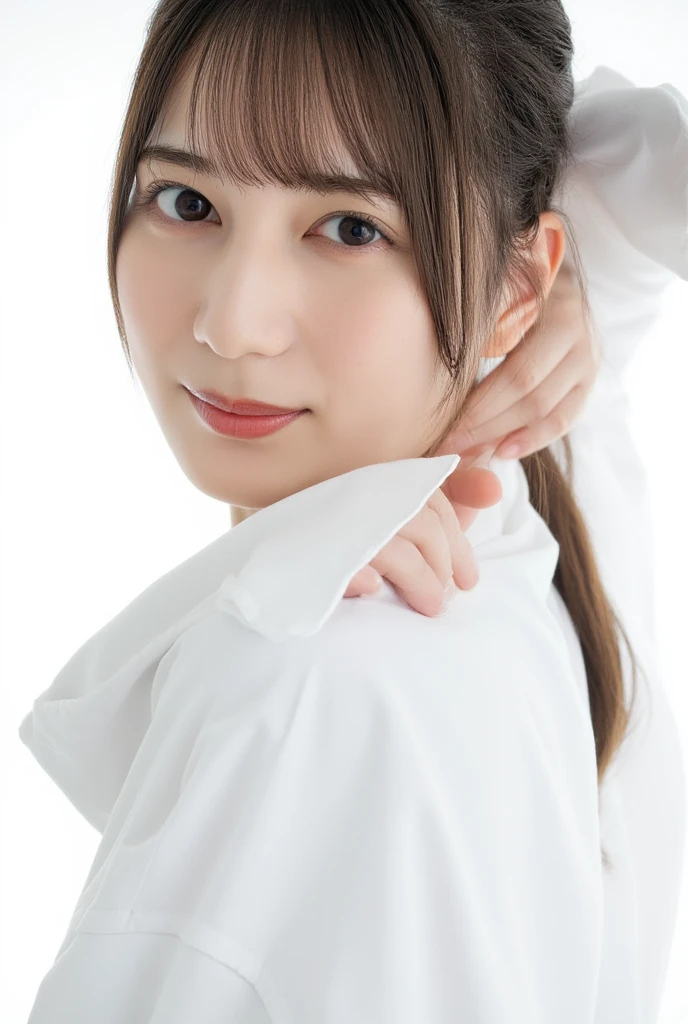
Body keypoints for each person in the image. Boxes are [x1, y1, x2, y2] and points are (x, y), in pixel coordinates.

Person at [17, 1, 686, 1021]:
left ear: (521, 288)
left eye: (348, 228)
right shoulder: (549, 471)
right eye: (187, 202)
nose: (231, 323)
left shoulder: (292, 688)